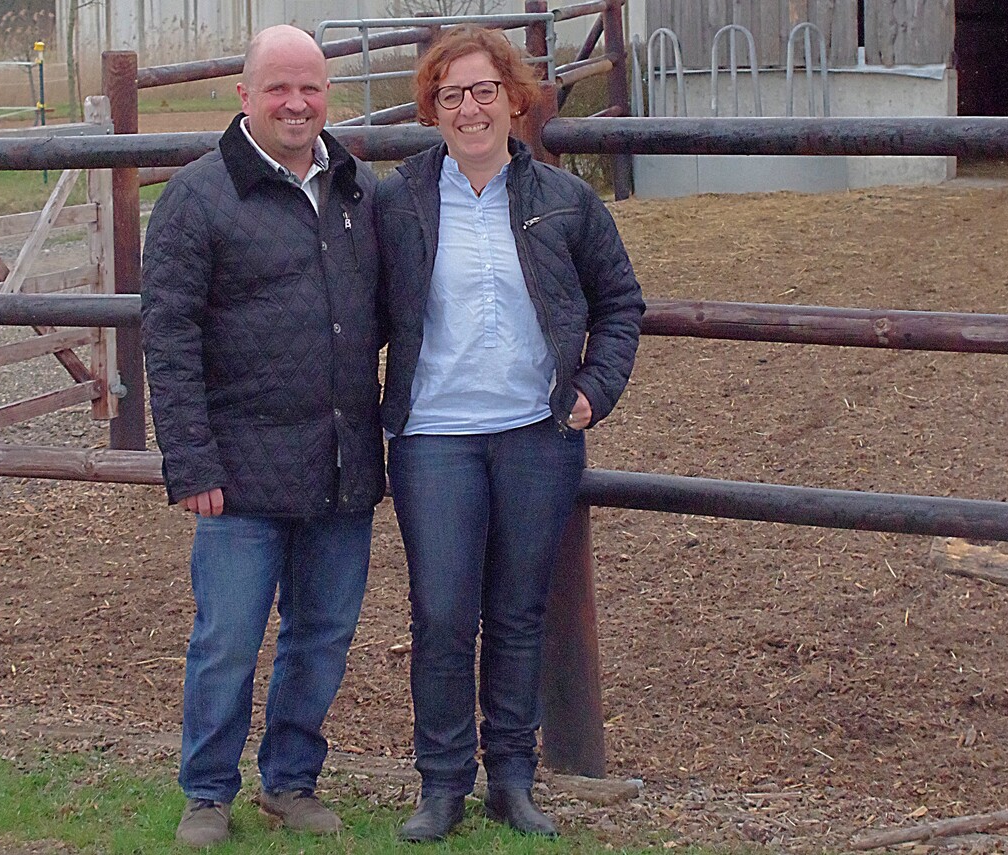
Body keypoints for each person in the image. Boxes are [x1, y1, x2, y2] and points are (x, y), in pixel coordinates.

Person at [375, 24, 645, 843]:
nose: (470, 108)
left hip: (536, 434)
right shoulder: (399, 200)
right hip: (434, 437)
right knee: (444, 613)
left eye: (484, 90)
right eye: (452, 94)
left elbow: (620, 304)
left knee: (519, 612)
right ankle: (442, 782)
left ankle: (514, 780)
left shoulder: (565, 200)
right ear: (432, 105)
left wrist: (594, 392)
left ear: (513, 98)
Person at [140, 25, 384, 848]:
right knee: (228, 640)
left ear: (328, 95)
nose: (296, 103)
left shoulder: (353, 189)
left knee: (322, 634)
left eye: (310, 87)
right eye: (278, 87)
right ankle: (207, 791)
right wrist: (191, 459)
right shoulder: (199, 198)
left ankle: (289, 780)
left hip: (342, 462)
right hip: (239, 473)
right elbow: (168, 339)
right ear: (243, 95)